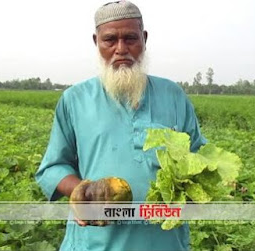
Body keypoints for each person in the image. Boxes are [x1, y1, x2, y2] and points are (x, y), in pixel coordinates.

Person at [36, 1, 206, 250]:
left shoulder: (173, 96)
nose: (121, 49)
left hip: (164, 241)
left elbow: (199, 156)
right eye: (110, 40)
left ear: (144, 39)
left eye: (130, 38)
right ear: (96, 42)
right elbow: (52, 167)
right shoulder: (75, 99)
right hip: (95, 241)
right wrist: (83, 190)